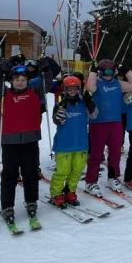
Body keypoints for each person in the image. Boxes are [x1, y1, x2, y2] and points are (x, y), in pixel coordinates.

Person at [0, 63, 47, 229]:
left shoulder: (35, 92)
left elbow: (46, 81)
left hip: (30, 141)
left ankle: (31, 202)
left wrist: (45, 69)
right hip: (9, 142)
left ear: (28, 80)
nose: (20, 82)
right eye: (16, 79)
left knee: (30, 174)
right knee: (9, 176)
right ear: (11, 81)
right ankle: (7, 206)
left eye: (23, 79)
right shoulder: (4, 94)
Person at [84, 58, 132, 194]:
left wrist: (127, 71)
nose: (108, 74)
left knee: (115, 152)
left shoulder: (117, 83)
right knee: (96, 153)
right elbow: (89, 87)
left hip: (116, 123)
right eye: (105, 71)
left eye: (111, 71)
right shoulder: (97, 83)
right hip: (99, 123)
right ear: (101, 72)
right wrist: (93, 71)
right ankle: (91, 182)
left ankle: (113, 177)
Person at [49, 75, 94, 207]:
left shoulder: (84, 104)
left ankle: (70, 190)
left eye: (75, 89)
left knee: (77, 170)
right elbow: (57, 121)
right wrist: (60, 110)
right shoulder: (60, 105)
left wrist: (90, 103)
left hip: (80, 143)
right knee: (62, 171)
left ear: (79, 89)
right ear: (64, 90)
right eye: (69, 89)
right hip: (64, 144)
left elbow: (94, 115)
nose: (72, 92)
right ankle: (56, 193)